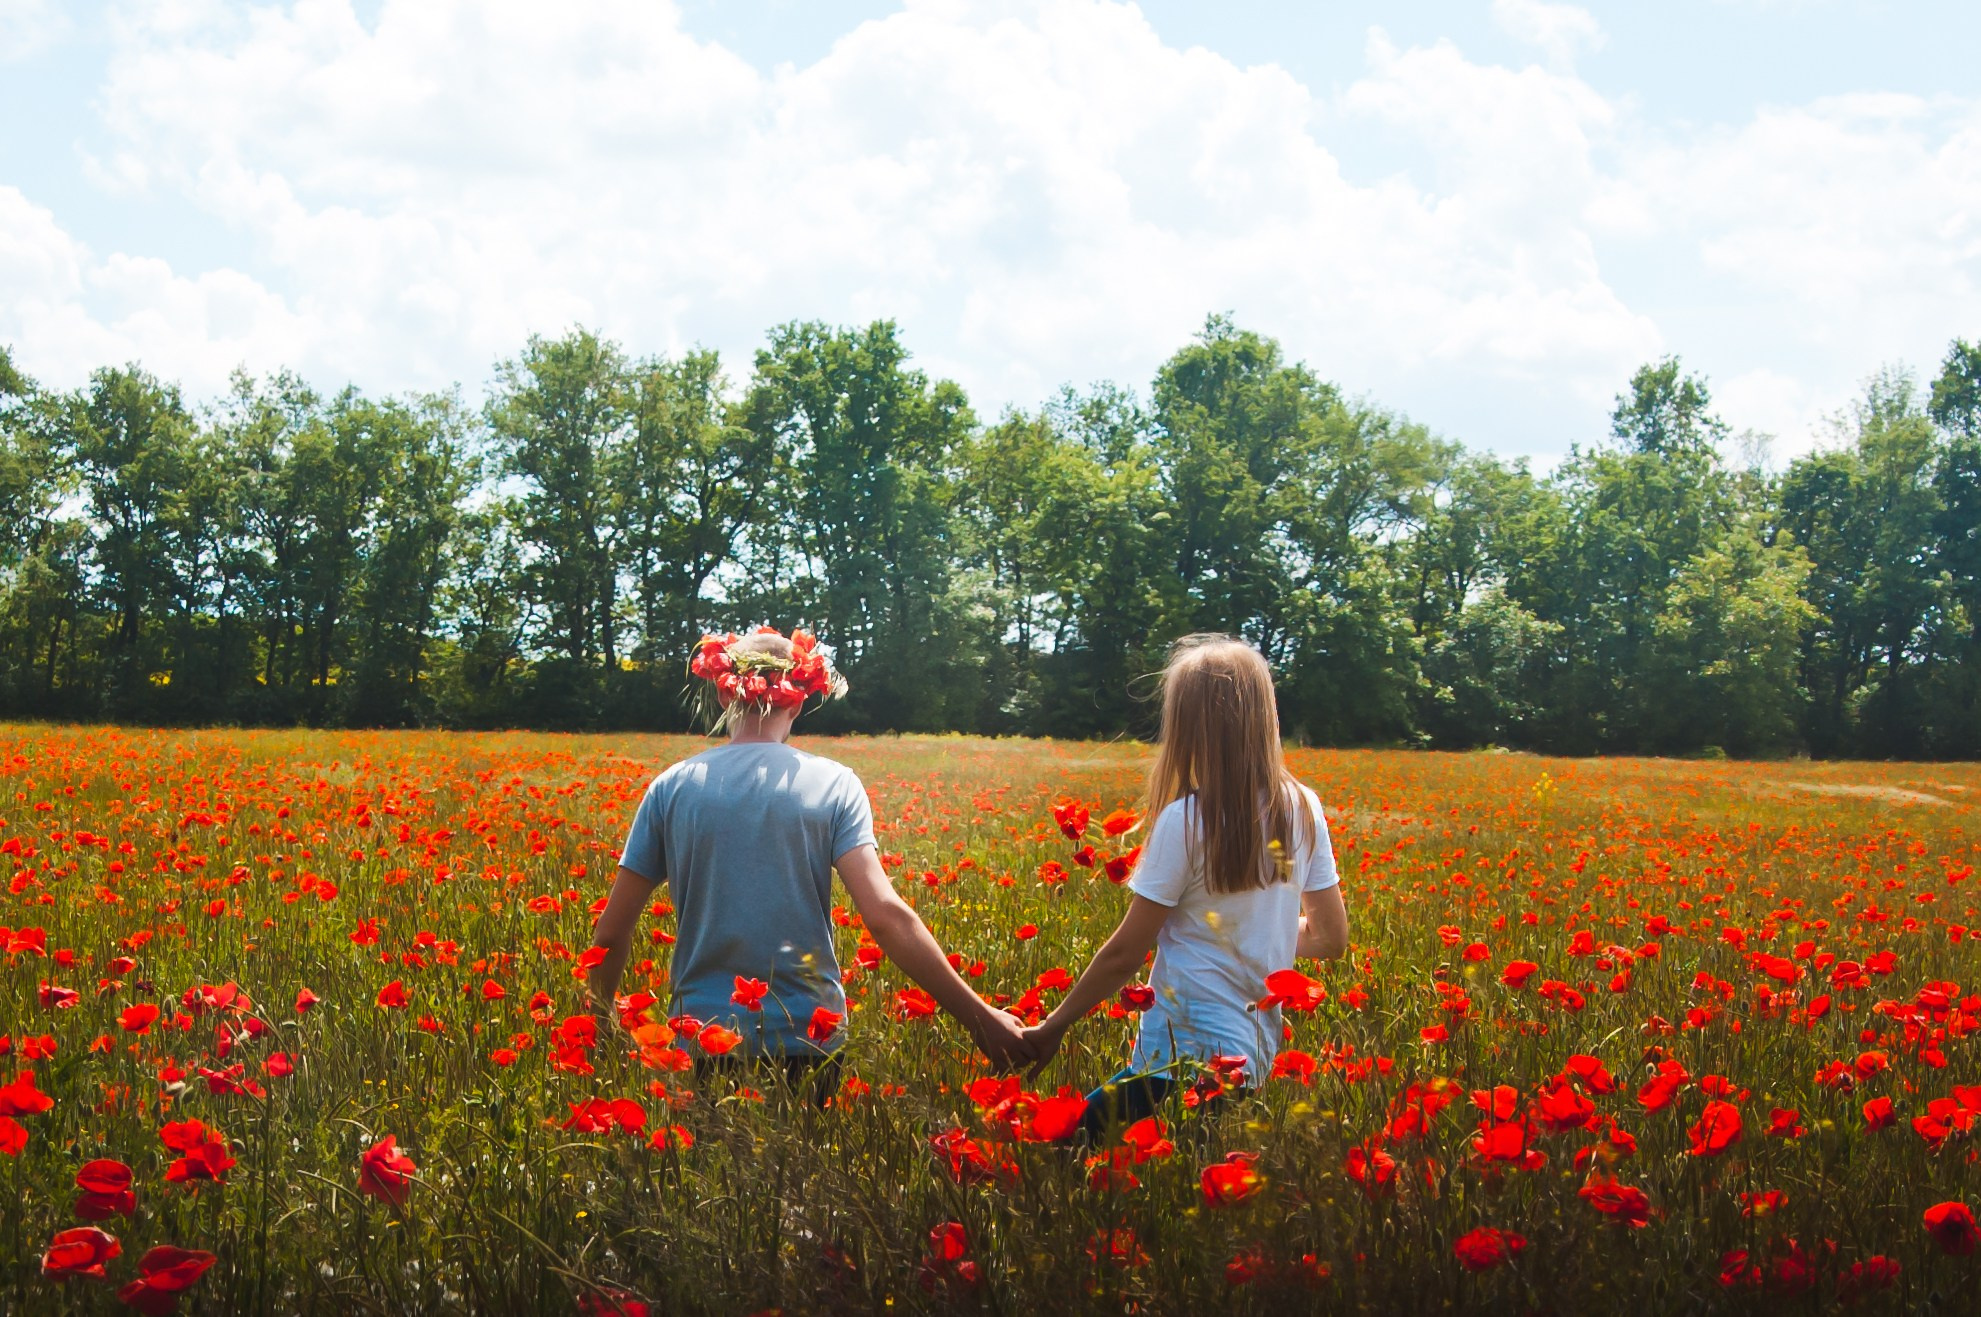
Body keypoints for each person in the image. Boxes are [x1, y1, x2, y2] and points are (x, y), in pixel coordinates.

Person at [586, 627, 1032, 1102]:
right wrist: (982, 1020)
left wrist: (600, 1023)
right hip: (809, 1034)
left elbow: (611, 934)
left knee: (715, 1172)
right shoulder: (834, 784)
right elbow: (885, 916)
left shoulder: (672, 787)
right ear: (798, 701)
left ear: (721, 693)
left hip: (702, 1036)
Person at [1022, 634, 1349, 1137]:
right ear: (1265, 716)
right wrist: (1264, 933)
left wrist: (1053, 1027)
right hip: (1248, 1061)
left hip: (1176, 1058)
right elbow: (1330, 938)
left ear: (1189, 728)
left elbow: (1124, 955)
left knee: (1057, 1151)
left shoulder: (1187, 820)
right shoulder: (1302, 809)